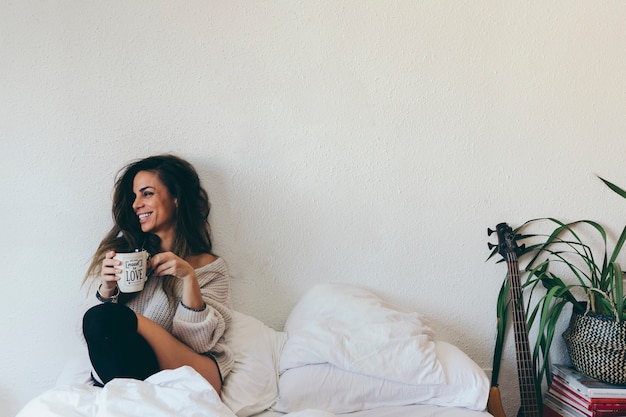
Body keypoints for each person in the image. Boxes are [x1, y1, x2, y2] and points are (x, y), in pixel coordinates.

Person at [81, 154, 233, 395]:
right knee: (99, 319)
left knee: (104, 318)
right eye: (134, 196)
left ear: (176, 198)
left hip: (195, 371)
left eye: (147, 193)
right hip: (138, 367)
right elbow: (98, 339)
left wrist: (188, 278)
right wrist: (108, 289)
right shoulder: (126, 257)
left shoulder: (209, 267)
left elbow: (199, 344)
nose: (136, 204)